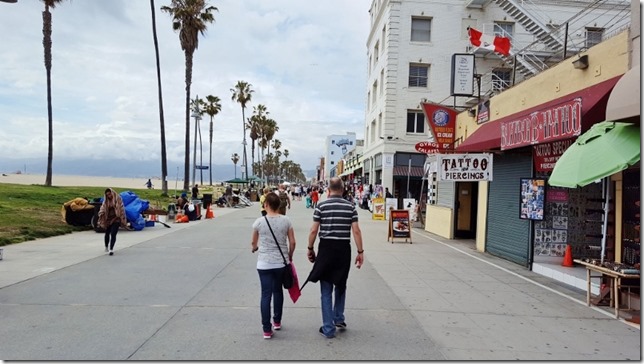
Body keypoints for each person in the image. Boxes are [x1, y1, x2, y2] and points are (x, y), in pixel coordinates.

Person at [305, 177, 364, 339]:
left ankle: (328, 328)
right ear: (343, 189)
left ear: (329, 190)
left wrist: (310, 248)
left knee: (326, 289)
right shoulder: (350, 207)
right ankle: (338, 317)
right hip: (343, 250)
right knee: (340, 283)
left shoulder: (321, 206)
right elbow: (356, 231)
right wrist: (360, 251)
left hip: (325, 249)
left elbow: (313, 230)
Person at [251, 192, 297, 339]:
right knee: (278, 291)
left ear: (266, 205)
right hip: (280, 263)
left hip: (264, 263)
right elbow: (293, 242)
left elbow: (253, 243)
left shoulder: (259, 222)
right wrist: (289, 255)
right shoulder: (286, 220)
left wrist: (254, 248)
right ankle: (277, 321)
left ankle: (266, 329)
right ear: (279, 205)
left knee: (265, 294)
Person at [97, 188, 127, 256]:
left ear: (112, 193)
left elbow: (120, 210)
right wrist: (101, 214)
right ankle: (106, 246)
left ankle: (111, 249)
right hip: (108, 218)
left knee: (113, 233)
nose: (109, 196)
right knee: (107, 233)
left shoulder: (118, 199)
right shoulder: (106, 201)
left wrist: (115, 219)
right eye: (107, 195)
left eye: (110, 194)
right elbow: (103, 208)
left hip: (116, 218)